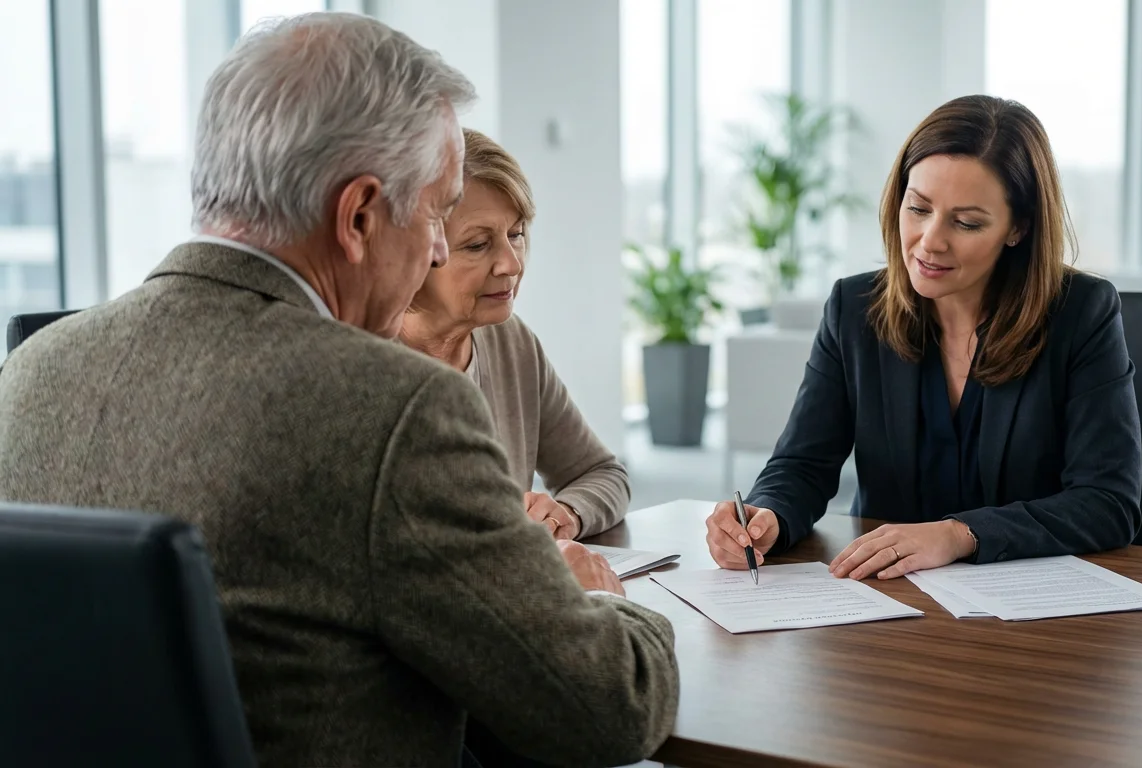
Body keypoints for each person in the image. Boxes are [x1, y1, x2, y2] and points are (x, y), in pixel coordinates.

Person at [0, 13, 677, 768]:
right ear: (357, 216)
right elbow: (608, 710)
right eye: (434, 213)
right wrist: (603, 599)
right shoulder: (393, 407)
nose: (440, 248)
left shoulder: (31, 370)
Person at [705, 94, 1142, 581]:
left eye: (966, 222)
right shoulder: (855, 309)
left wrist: (960, 534)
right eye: (918, 209)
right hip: (888, 600)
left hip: (1033, 609)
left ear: (1017, 228)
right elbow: (802, 463)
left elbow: (1107, 503)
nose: (931, 240)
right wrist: (768, 516)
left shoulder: (1081, 312)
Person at [401, 129, 629, 541]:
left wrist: (566, 514)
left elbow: (601, 472)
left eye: (517, 234)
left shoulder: (510, 340)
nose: (511, 264)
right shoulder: (360, 365)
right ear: (414, 252)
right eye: (477, 245)